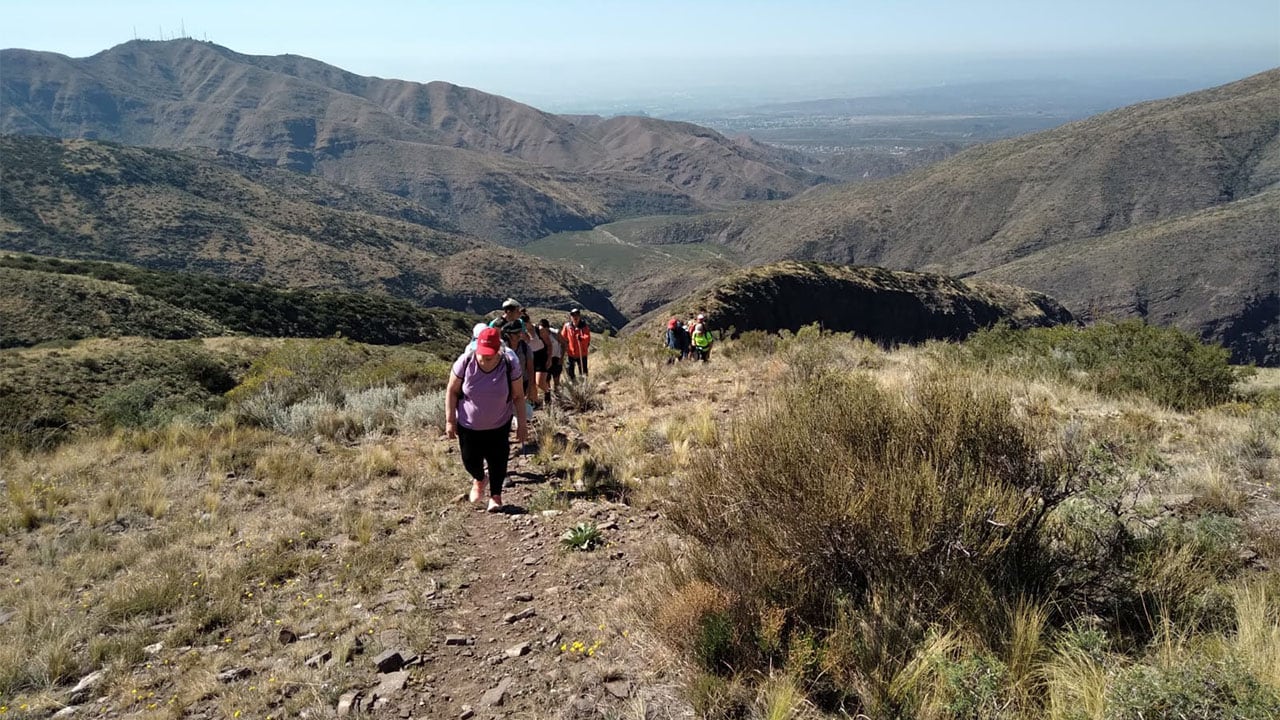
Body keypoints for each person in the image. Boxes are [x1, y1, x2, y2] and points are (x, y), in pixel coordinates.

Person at [446, 327, 527, 512]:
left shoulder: (509, 363)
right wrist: (450, 420)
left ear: (498, 349)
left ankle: (496, 496)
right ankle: (480, 479)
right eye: (482, 354)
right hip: (468, 425)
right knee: (469, 460)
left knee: (498, 460)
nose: (484, 358)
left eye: (489, 355)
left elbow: (518, 396)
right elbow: (451, 390)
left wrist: (522, 424)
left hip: (499, 423)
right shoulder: (465, 361)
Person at [561, 308, 591, 379]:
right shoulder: (567, 326)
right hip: (571, 353)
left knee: (583, 371)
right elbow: (562, 337)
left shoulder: (584, 326)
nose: (575, 317)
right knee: (570, 370)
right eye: (573, 315)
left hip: (582, 353)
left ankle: (585, 384)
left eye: (577, 315)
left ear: (579, 316)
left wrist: (581, 338)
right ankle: (573, 382)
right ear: (571, 317)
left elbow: (587, 337)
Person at [522, 311, 545, 405]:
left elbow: (548, 344)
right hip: (529, 357)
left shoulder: (538, 330)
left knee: (538, 381)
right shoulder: (522, 333)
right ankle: (535, 401)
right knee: (532, 382)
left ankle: (546, 392)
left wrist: (549, 359)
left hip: (540, 356)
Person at [543, 318, 564, 396]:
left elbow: (564, 344)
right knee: (547, 380)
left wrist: (561, 358)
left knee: (556, 380)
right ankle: (548, 398)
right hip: (546, 359)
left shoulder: (555, 333)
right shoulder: (540, 336)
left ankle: (558, 397)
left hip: (556, 358)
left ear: (547, 328)